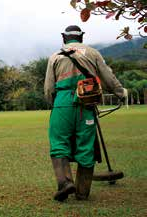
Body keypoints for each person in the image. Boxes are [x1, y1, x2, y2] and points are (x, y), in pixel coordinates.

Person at [44, 25, 126, 201]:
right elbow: (108, 78)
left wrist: (54, 104)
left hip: (62, 103)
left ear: (64, 38)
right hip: (87, 102)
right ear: (81, 37)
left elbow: (49, 88)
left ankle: (65, 183)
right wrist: (120, 94)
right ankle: (82, 192)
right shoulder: (93, 53)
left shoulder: (55, 56)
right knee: (86, 145)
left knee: (59, 143)